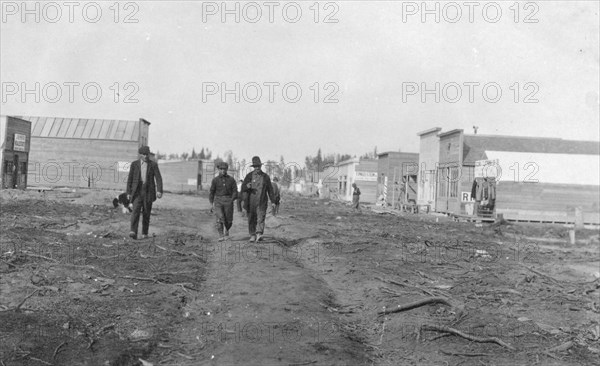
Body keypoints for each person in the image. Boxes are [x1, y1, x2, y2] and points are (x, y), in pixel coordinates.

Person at [126, 146, 163, 240]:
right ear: (140, 155)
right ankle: (133, 231)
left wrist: (159, 190)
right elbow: (130, 179)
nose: (146, 156)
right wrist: (128, 192)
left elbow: (158, 178)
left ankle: (144, 233)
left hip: (148, 192)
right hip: (137, 192)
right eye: (144, 154)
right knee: (135, 211)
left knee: (146, 213)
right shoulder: (134, 164)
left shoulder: (153, 165)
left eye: (147, 154)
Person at [241, 156, 275, 242]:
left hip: (262, 201)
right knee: (251, 218)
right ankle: (252, 235)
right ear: (253, 167)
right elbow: (243, 188)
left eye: (258, 166)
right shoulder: (249, 176)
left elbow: (270, 189)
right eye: (255, 167)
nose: (257, 168)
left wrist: (273, 201)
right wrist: (246, 186)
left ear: (260, 166)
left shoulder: (266, 177)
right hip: (251, 201)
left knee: (261, 218)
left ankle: (259, 234)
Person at [209, 162, 238, 241]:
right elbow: (211, 192)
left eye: (224, 169)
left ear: (227, 169)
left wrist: (232, 199)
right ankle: (221, 235)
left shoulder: (231, 180)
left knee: (229, 220)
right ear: (218, 169)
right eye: (221, 169)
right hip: (218, 201)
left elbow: (235, 191)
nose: (223, 171)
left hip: (228, 200)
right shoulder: (215, 180)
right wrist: (211, 204)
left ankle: (227, 230)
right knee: (220, 218)